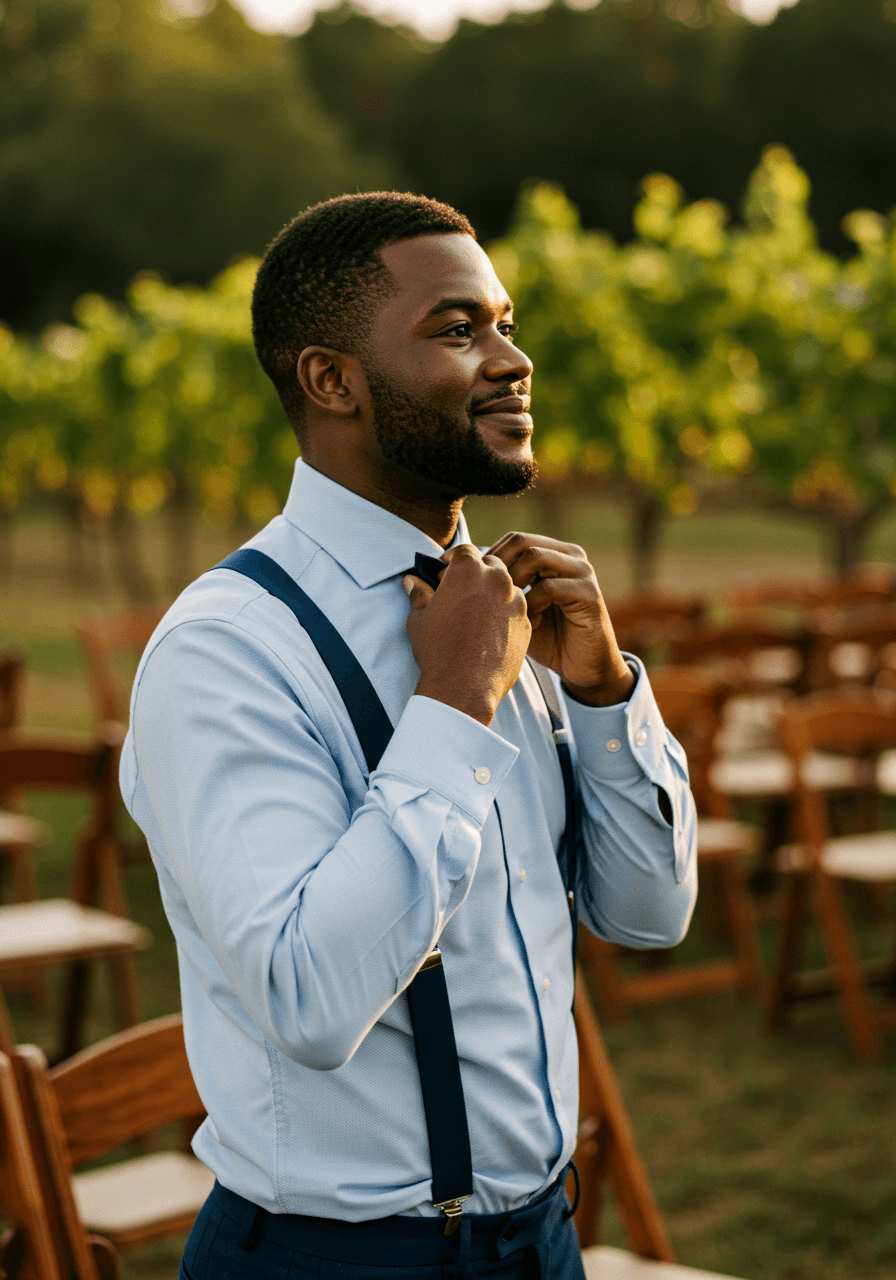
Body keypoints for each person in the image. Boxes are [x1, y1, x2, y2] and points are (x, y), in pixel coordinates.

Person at [122, 191, 697, 1280]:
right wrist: (451, 705)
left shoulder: (507, 609)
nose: (511, 357)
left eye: (505, 322)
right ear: (331, 379)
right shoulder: (227, 647)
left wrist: (605, 691)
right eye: (455, 328)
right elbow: (306, 995)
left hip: (542, 1237)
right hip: (330, 1260)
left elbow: (646, 913)